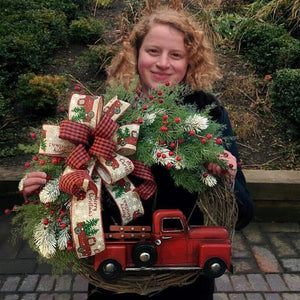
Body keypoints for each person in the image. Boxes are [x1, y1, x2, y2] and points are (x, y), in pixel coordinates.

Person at [23, 6, 254, 300]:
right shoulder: (108, 113)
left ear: (190, 61)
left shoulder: (208, 117)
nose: (162, 63)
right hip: (116, 277)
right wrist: (48, 190)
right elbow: (76, 187)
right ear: (136, 54)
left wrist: (229, 177)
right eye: (153, 51)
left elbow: (243, 214)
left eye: (176, 55)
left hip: (185, 279)